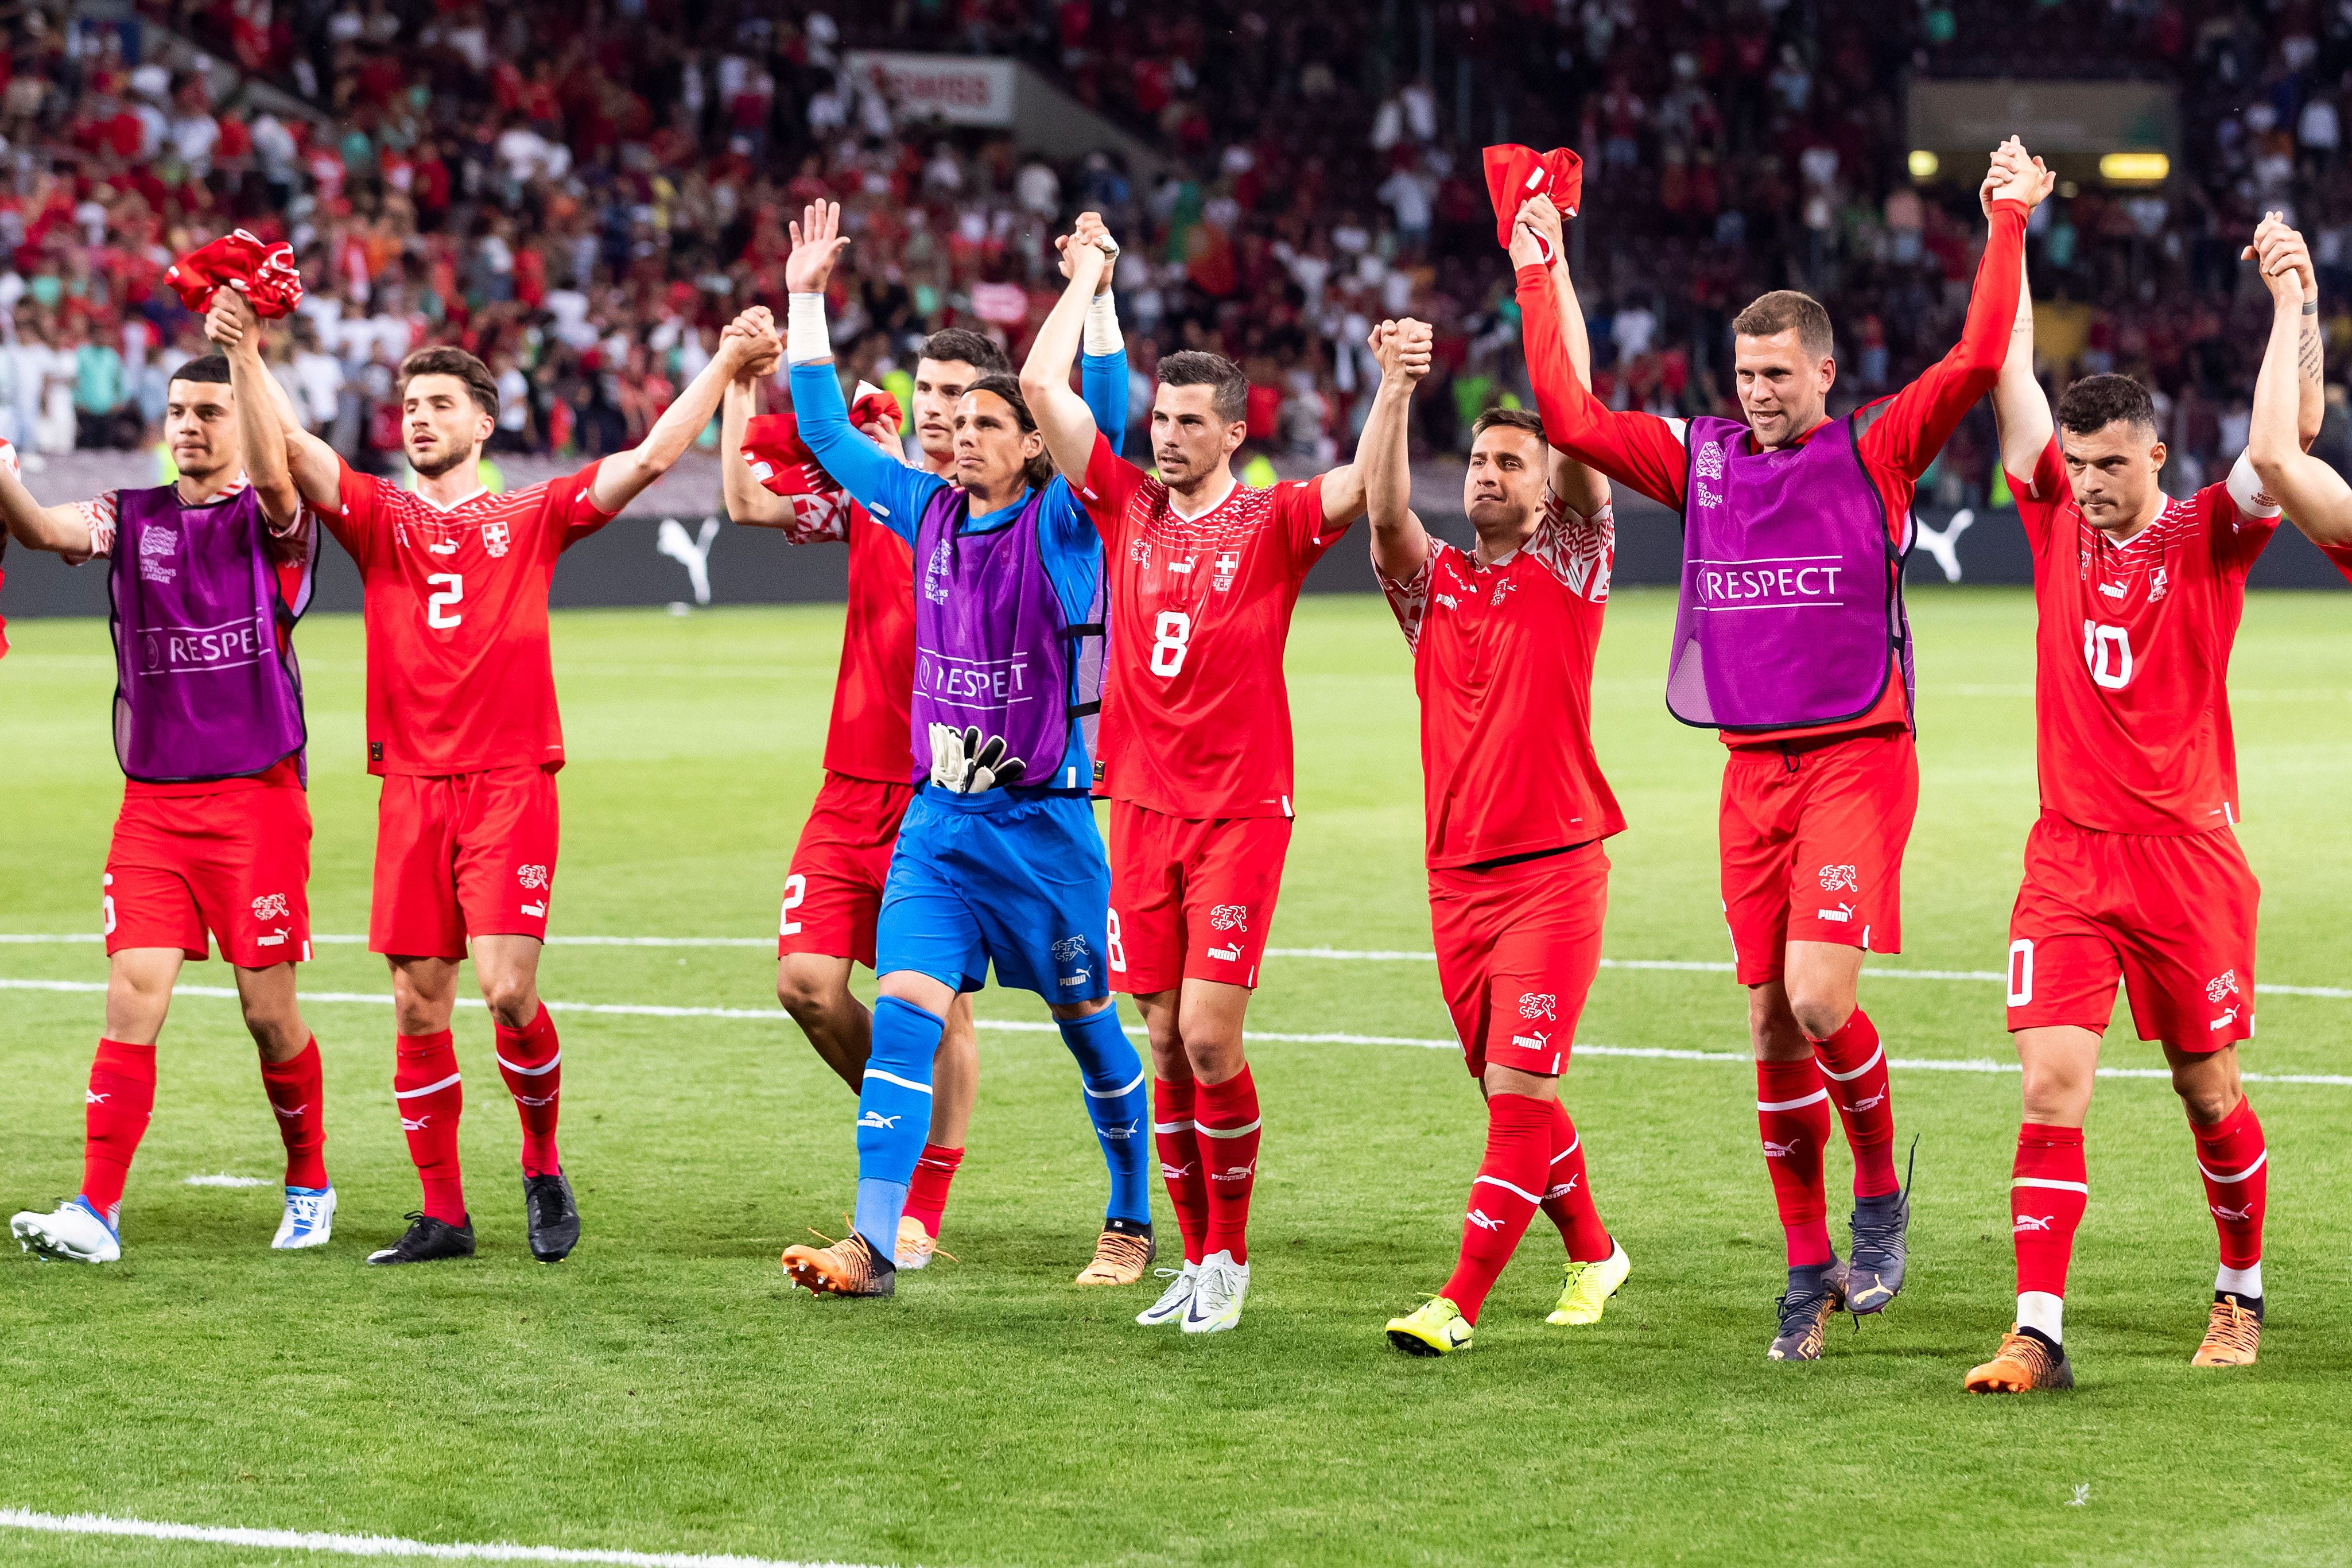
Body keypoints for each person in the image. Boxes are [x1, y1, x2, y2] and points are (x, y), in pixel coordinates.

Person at [1515, 141, 2040, 1359]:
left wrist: (2005, 214)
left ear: (1823, 370)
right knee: (1766, 1026)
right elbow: (1569, 417)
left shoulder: (1875, 448)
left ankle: (1876, 1191)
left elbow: (1972, 356)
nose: (1757, 391)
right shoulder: (1698, 460)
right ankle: (1807, 1267)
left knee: (1817, 997)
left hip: (1860, 753)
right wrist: (1543, 266)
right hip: (1751, 770)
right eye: (1745, 373)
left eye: (1778, 374)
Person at [239, 291, 772, 1267]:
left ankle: (539, 1163)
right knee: (415, 1001)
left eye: (441, 404)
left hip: (510, 781)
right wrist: (244, 347)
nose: (421, 418)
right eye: (411, 405)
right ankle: (443, 1214)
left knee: (506, 989)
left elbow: (651, 458)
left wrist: (728, 365)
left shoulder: (530, 515)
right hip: (411, 785)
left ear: (483, 423)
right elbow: (294, 446)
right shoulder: (377, 513)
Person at [767, 201, 1153, 1299]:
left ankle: (1129, 1217)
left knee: (1091, 1036)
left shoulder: (1072, 520)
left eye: (989, 423)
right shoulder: (923, 508)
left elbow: (1101, 410)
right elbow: (825, 432)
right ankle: (875, 1242)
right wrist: (805, 300)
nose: (962, 435)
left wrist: (1090, 288)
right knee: (902, 1022)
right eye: (957, 422)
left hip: (1047, 830)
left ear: (1034, 440)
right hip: (939, 829)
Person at [1962, 203, 2318, 1391]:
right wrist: (2005, 221)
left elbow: (2285, 447)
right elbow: (2001, 362)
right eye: (2081, 463)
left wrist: (2289, 303)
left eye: (2115, 463)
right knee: (2051, 1081)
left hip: (2186, 859)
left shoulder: (2212, 533)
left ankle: (2240, 1291)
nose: (2094, 483)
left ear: (2155, 457)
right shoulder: (2051, 513)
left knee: (2206, 1090)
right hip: (2069, 858)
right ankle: (2039, 1328)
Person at [1022, 215, 1373, 1334]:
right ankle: (1189, 1256)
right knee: (1163, 1040)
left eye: (1188, 422)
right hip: (1142, 811)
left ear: (1231, 434)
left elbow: (1365, 482)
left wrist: (1395, 386)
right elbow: (1041, 381)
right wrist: (1088, 281)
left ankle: (1229, 1260)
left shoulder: (1274, 521)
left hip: (1239, 814)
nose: (1166, 435)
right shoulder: (1122, 504)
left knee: (1212, 1038)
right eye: (1160, 418)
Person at [3, 292, 334, 1262]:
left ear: (242, 422)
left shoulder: (274, 521)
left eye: (210, 414)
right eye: (179, 415)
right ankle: (95, 1213)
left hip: (255, 802)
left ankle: (309, 1182)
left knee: (267, 1014)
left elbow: (279, 483)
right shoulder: (132, 513)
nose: (190, 429)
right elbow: (42, 534)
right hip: (151, 804)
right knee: (131, 994)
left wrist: (245, 359)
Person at [1368, 291, 1633, 1356]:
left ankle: (1458, 1302)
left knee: (1519, 1091)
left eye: (1511, 465)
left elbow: (1580, 451)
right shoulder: (1432, 589)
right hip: (1455, 879)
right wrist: (1393, 389)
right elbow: (1386, 518)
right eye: (1479, 461)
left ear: (1542, 493)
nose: (1489, 474)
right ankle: (1595, 1252)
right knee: (1503, 1087)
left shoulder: (1570, 563)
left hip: (1556, 869)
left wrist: (1544, 277)